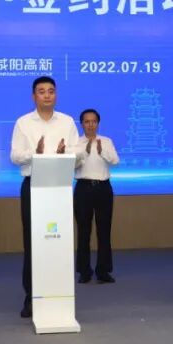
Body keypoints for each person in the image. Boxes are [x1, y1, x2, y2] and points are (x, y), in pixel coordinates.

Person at [10, 76, 80, 318]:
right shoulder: (23, 123)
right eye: (42, 91)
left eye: (51, 91)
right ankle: (31, 296)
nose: (47, 95)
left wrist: (64, 153)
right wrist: (35, 154)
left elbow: (78, 154)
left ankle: (59, 295)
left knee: (59, 241)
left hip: (60, 187)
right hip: (33, 186)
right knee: (33, 243)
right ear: (34, 96)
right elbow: (15, 156)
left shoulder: (67, 122)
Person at [73, 109, 119, 284]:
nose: (90, 125)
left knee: (104, 231)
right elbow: (71, 165)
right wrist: (84, 153)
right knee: (83, 231)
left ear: (98, 123)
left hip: (103, 188)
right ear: (82, 124)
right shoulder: (76, 142)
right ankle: (84, 271)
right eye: (87, 121)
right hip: (83, 188)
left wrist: (101, 152)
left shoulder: (106, 141)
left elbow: (115, 161)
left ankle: (103, 271)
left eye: (93, 121)